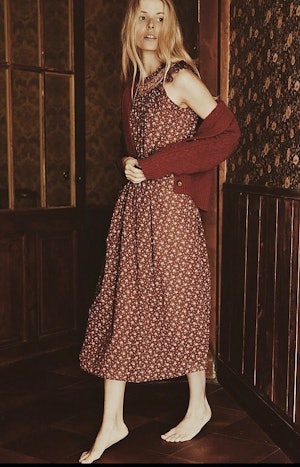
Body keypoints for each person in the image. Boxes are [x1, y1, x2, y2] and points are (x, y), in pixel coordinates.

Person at [79, 0, 241, 463]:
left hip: (172, 209)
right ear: (132, 23)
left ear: (171, 25)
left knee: (179, 297)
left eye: (161, 17)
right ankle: (113, 420)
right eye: (144, 17)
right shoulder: (134, 84)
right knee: (123, 300)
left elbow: (227, 135)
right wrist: (128, 163)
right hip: (134, 209)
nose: (152, 26)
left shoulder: (179, 77)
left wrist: (153, 167)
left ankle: (198, 403)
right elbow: (139, 150)